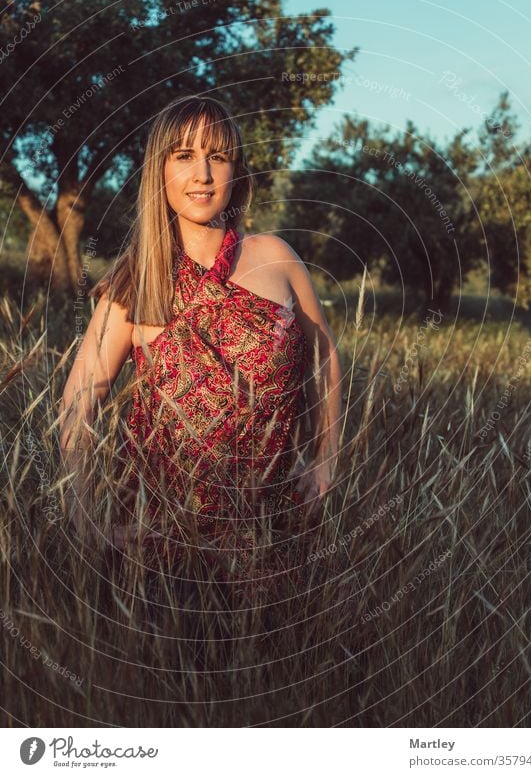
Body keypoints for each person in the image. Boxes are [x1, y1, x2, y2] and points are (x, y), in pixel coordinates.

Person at [58, 93, 343, 610]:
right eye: (183, 155)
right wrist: (87, 517)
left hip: (270, 523)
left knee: (276, 674)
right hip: (158, 543)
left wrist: (324, 460)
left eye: (219, 156)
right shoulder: (134, 284)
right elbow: (78, 403)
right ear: (158, 170)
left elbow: (323, 354)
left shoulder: (276, 258)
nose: (203, 174)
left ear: (236, 170)